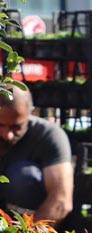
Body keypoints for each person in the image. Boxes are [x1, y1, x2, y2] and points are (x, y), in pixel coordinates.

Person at [0, 88, 72, 225]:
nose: (7, 135)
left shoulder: (49, 135)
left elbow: (61, 202)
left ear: (30, 112)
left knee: (23, 176)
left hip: (28, 223)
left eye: (16, 127)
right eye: (0, 125)